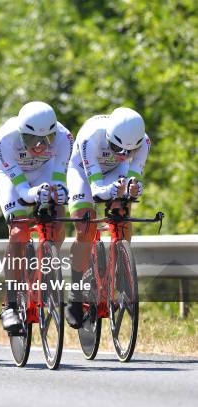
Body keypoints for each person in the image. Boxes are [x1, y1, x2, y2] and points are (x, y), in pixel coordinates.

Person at [0, 101, 73, 334]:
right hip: (12, 175)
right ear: (21, 133)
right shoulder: (5, 139)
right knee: (18, 231)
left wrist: (58, 190)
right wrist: (32, 193)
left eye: (46, 139)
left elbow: (58, 176)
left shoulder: (65, 138)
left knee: (56, 221)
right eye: (31, 140)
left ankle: (45, 270)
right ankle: (10, 304)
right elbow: (22, 191)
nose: (39, 146)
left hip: (44, 171)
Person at [65, 107, 149, 328]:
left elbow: (134, 177)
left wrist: (133, 189)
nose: (122, 154)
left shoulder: (143, 143)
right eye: (116, 148)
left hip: (115, 172)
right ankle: (75, 293)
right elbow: (96, 189)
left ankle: (121, 270)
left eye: (129, 152)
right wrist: (112, 190)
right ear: (109, 137)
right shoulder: (91, 135)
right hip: (83, 173)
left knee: (123, 210)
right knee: (85, 227)